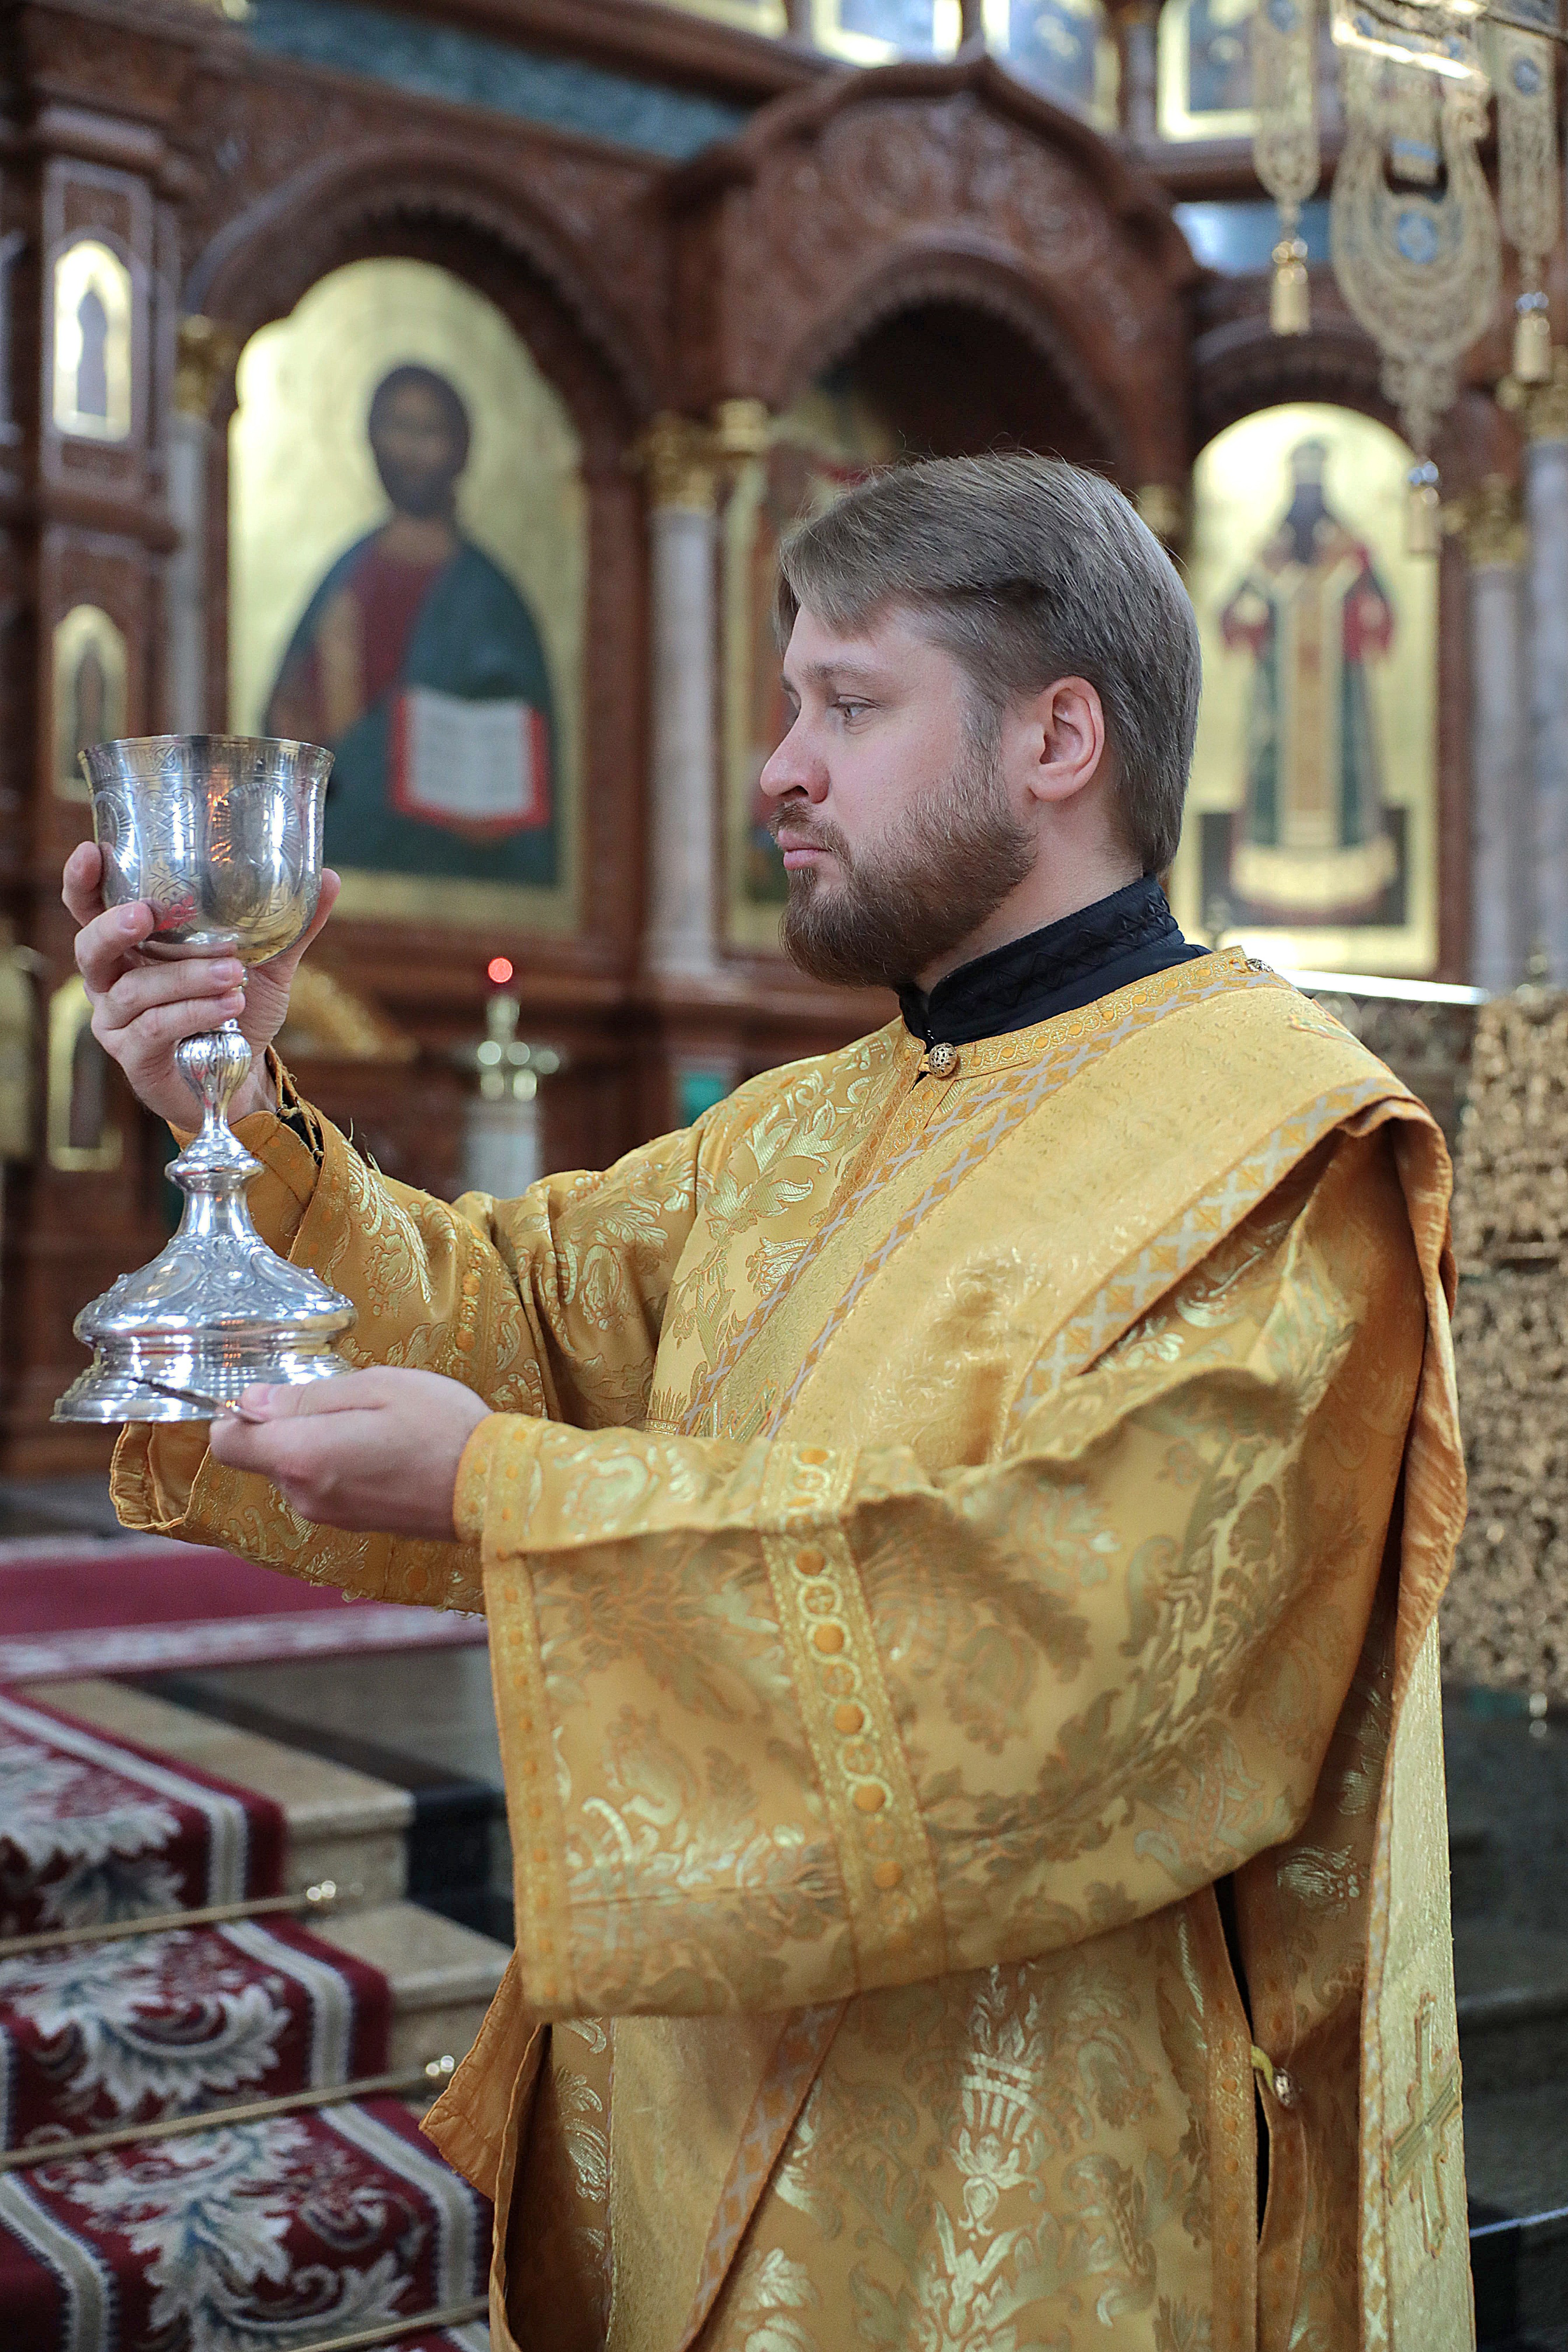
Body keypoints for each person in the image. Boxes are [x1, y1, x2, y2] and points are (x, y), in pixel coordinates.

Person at [67, 454, 1469, 2350]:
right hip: (687, 2111)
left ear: (1058, 739)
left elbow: (1074, 1648)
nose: (776, 769)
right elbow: (517, 1322)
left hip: (1013, 2191)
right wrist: (232, 1106)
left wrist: (508, 1492)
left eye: (846, 705)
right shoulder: (806, 1123)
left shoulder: (1277, 1152)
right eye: (787, 703)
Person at [264, 363, 558, 887]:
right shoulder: (346, 578)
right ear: (372, 441)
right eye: (397, 428)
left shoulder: (489, 596)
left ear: (460, 449)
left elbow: (518, 737)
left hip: (461, 862)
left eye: (429, 431)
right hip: (343, 842)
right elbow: (286, 727)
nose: (411, 450)